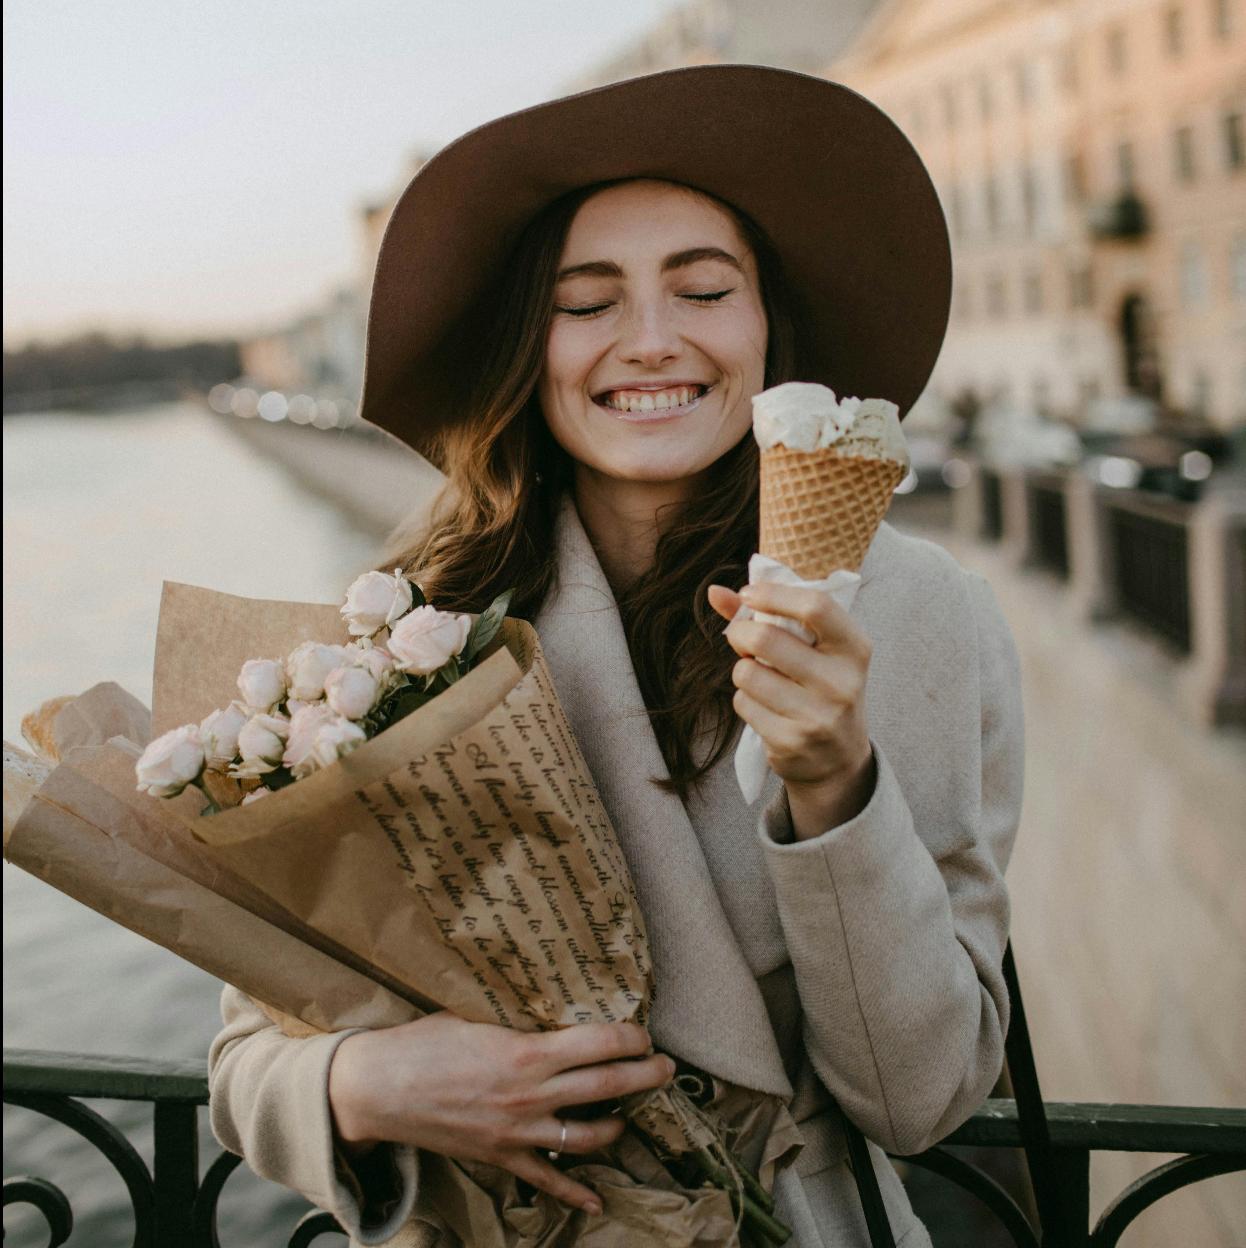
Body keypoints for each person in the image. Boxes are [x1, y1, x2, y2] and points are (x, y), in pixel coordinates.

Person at [208, 66, 1024, 1248]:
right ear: (524, 349)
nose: (649, 341)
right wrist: (369, 1088)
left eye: (701, 289)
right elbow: (241, 1058)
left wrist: (836, 787)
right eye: (585, 304)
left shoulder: (914, 614)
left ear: (765, 329)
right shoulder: (409, 620)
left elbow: (919, 1096)